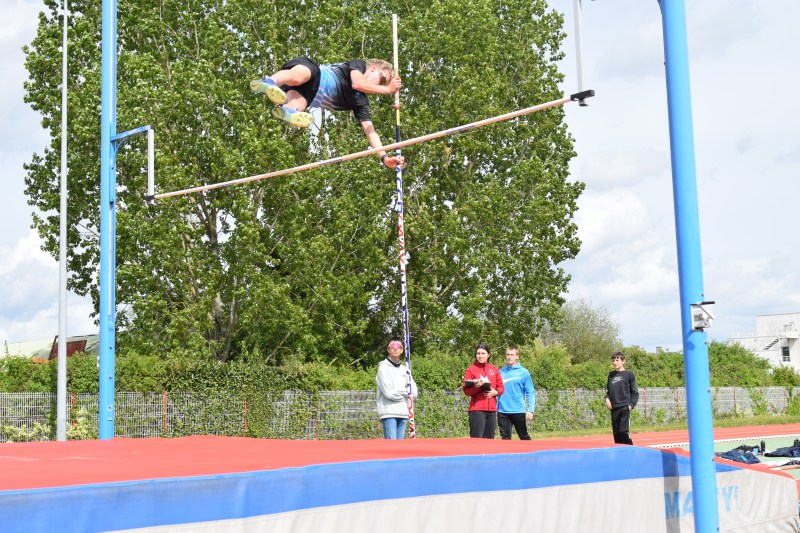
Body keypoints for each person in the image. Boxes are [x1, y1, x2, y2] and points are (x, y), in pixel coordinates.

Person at [250, 57, 404, 169]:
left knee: (300, 104)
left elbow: (370, 131)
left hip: (308, 94)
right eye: (382, 80)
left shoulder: (360, 101)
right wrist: (387, 90)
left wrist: (384, 158)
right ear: (374, 68)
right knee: (298, 77)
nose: (381, 85)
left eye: (384, 84)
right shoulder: (358, 66)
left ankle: (287, 111)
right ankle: (270, 82)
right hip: (313, 72)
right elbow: (357, 83)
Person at [376, 337, 417, 439]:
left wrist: (400, 391)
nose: (395, 348)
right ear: (388, 349)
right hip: (389, 412)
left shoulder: (405, 369)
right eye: (392, 346)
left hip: (403, 412)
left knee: (399, 446)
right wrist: (406, 394)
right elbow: (389, 393)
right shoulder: (383, 368)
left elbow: (414, 392)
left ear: (402, 350)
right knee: (391, 445)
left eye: (398, 346)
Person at [462, 343, 504, 439]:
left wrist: (496, 392)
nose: (480, 356)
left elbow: (501, 387)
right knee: (477, 441)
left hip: (492, 411)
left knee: (489, 441)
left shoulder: (494, 369)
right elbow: (466, 391)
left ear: (488, 354)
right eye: (478, 353)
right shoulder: (471, 369)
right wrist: (476, 387)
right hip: (477, 411)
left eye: (483, 353)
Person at [497, 345, 535, 440]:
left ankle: (530, 450)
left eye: (512, 355)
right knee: (505, 439)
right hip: (503, 411)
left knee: (524, 437)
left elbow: (530, 392)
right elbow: (497, 391)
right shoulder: (500, 372)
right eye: (508, 355)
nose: (509, 357)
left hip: (518, 410)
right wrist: (495, 407)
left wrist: (531, 410)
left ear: (517, 356)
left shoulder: (524, 372)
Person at [605, 351, 639, 445]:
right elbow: (609, 391)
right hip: (614, 408)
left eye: (617, 360)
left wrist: (630, 406)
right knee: (616, 434)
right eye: (613, 360)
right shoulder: (611, 375)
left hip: (624, 407)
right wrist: (607, 399)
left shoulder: (629, 375)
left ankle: (630, 449)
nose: (615, 362)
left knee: (623, 432)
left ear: (623, 361)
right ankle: (619, 451)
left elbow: (635, 392)